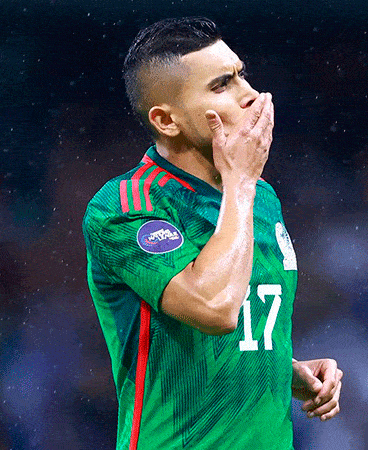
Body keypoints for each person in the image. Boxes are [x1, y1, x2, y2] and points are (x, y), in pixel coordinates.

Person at [83, 17, 343, 449]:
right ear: (167, 121)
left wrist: (282, 369)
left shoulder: (260, 197)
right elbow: (215, 308)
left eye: (241, 74)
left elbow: (237, 326)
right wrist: (240, 181)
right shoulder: (126, 206)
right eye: (222, 85)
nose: (250, 94)